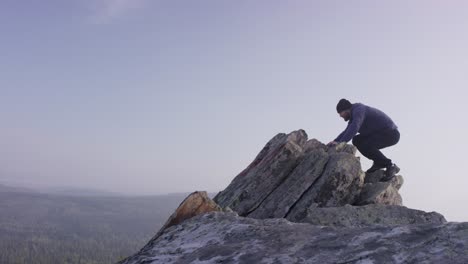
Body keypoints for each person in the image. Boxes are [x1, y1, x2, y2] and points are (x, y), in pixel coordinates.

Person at [327, 99, 400, 181]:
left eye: (340, 113)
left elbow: (354, 127)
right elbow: (346, 131)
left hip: (390, 134)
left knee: (366, 144)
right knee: (357, 140)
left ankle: (390, 166)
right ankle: (378, 162)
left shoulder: (359, 110)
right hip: (380, 134)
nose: (340, 116)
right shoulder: (353, 116)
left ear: (346, 109)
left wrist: (340, 143)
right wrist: (336, 141)